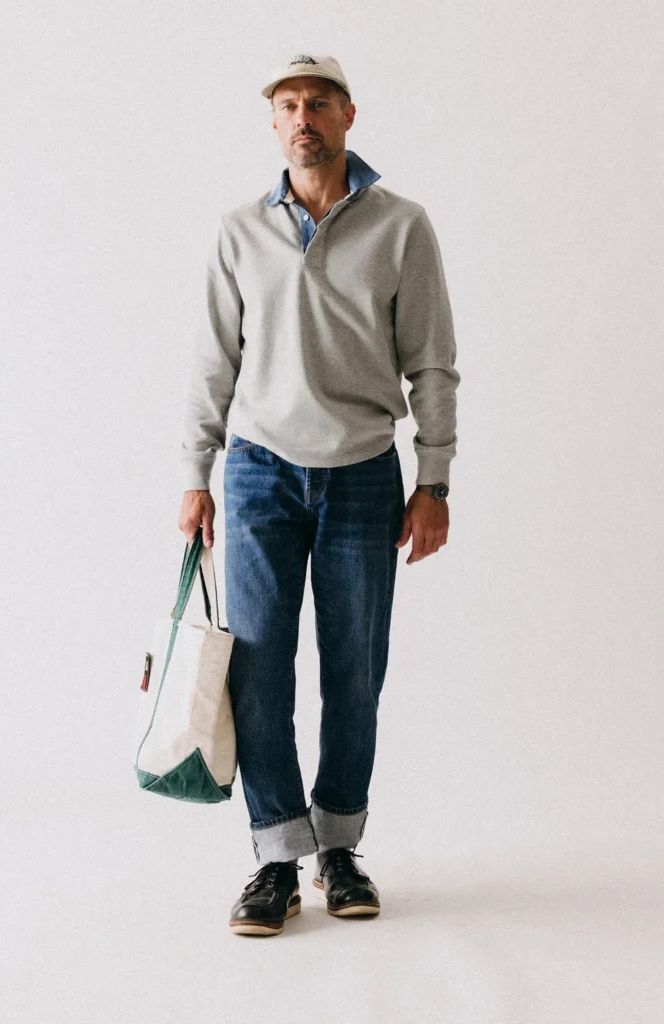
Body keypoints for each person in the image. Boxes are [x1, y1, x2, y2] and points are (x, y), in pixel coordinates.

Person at [177, 53, 460, 936]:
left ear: (347, 116)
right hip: (259, 473)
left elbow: (431, 363)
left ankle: (338, 849)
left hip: (364, 474)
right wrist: (194, 473)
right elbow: (213, 361)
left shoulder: (401, 226)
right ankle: (274, 857)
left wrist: (434, 480)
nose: (304, 117)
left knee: (353, 669)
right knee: (258, 670)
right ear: (273, 122)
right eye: (289, 105)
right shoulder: (239, 231)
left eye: (320, 103)